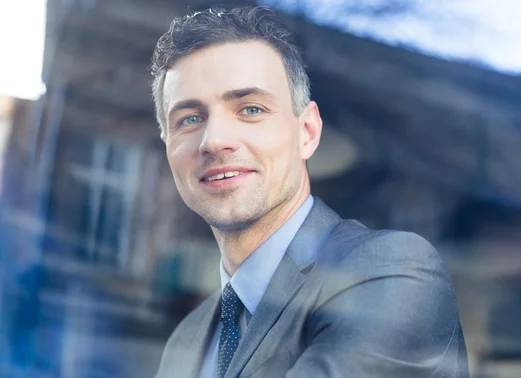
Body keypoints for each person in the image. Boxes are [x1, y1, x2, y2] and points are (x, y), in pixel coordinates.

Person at [150, 6, 468, 378]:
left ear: (308, 133)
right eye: (189, 119)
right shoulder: (187, 341)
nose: (215, 140)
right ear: (168, 144)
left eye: (250, 109)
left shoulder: (393, 270)